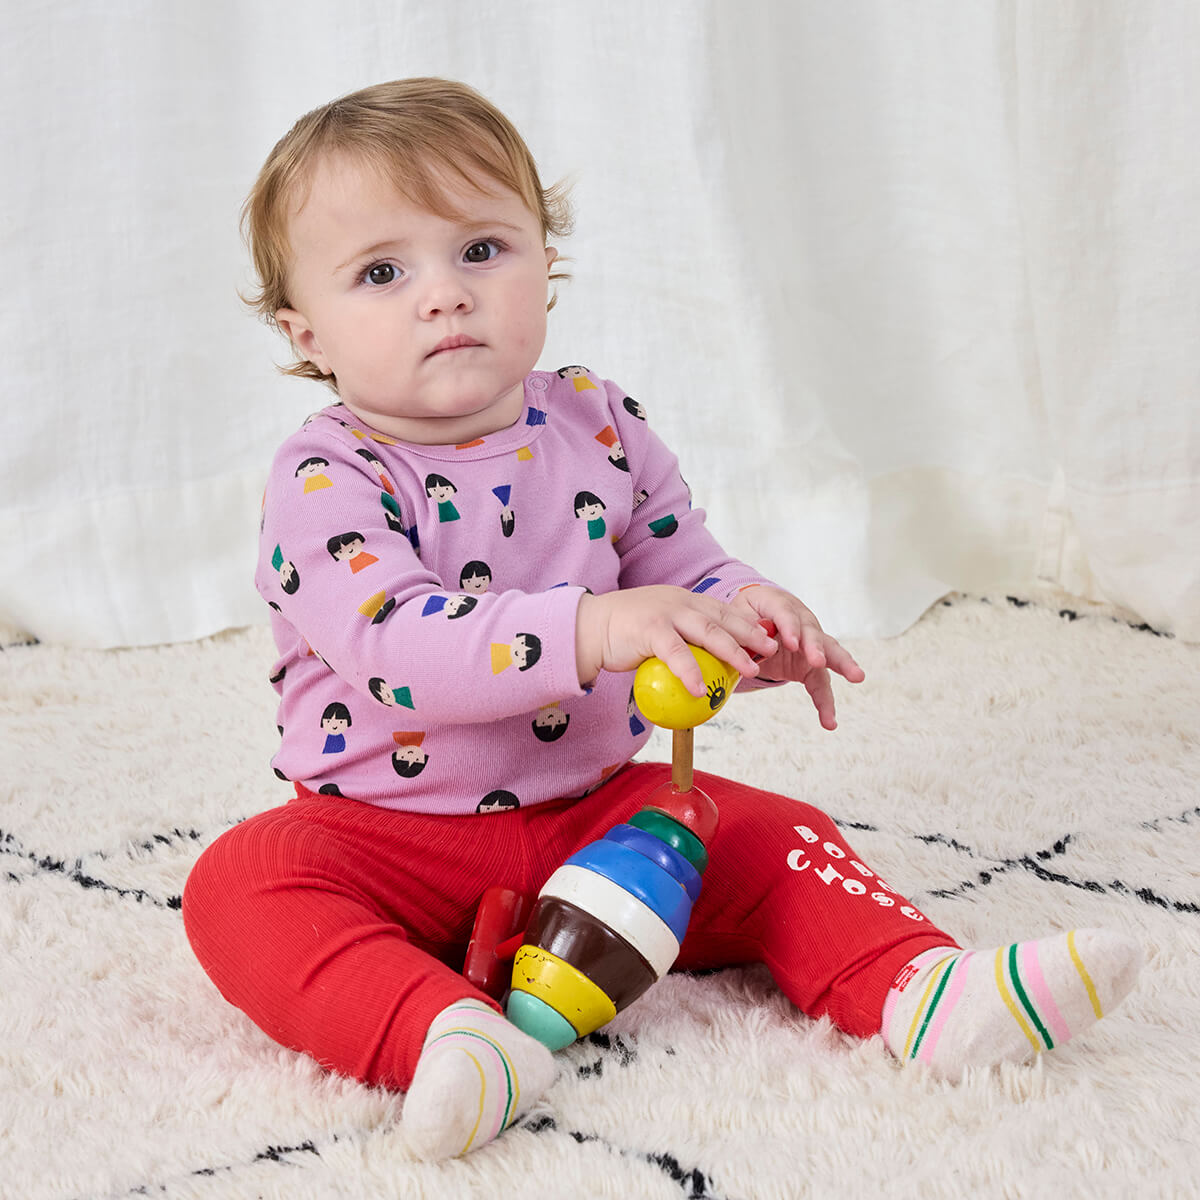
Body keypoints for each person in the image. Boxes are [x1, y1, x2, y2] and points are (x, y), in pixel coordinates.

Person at [182, 78, 1141, 1162]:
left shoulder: (597, 422)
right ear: (306, 331)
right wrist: (597, 630)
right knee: (240, 886)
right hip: (382, 834)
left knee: (776, 834)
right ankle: (448, 1038)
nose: (443, 295)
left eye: (482, 250)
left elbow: (679, 569)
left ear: (547, 262)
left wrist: (747, 617)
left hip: (603, 820)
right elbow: (396, 645)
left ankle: (921, 990)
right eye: (382, 272)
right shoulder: (325, 475)